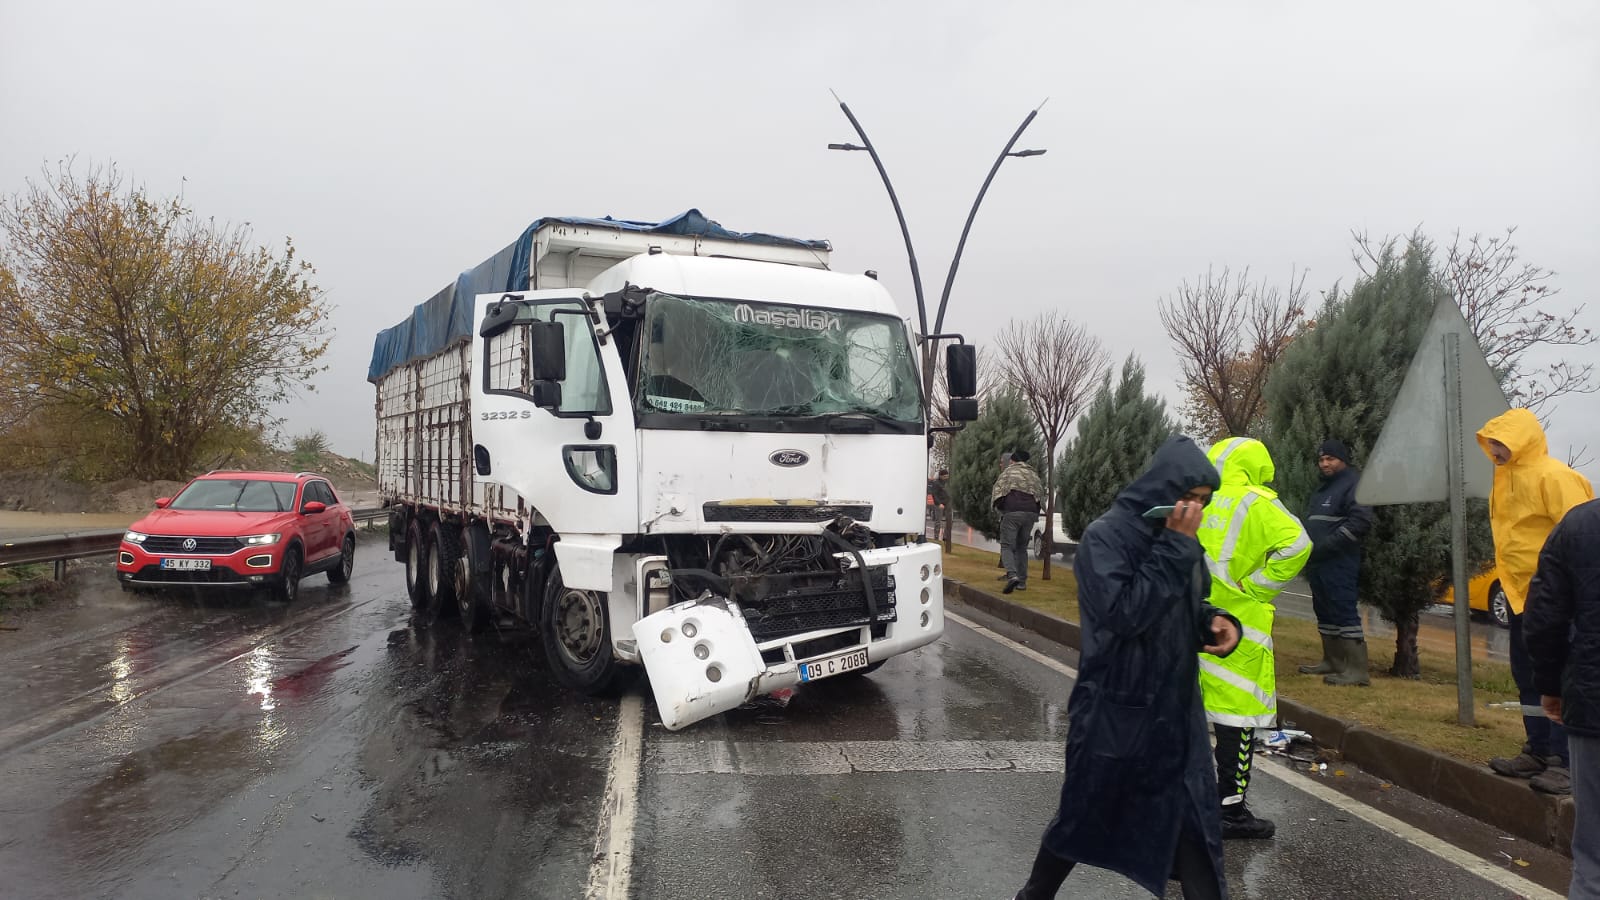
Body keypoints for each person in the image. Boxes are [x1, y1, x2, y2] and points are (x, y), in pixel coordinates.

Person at [1014, 436, 1240, 900]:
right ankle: (1034, 895)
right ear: (1162, 488)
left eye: (1202, 501)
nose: (1194, 509)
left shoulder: (1184, 544)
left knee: (1196, 821)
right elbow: (1125, 613)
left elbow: (1188, 604)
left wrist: (1214, 622)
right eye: (1188, 498)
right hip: (1116, 708)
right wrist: (1176, 549)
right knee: (1083, 816)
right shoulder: (1107, 537)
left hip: (1176, 712)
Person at [1198, 437, 1311, 840]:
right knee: (1237, 720)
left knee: (1186, 715)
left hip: (1190, 620)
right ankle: (1230, 811)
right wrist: (1258, 586)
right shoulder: (1256, 502)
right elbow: (1298, 544)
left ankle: (1180, 802)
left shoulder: (1200, 498)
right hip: (1237, 625)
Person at [1478, 408, 1594, 796]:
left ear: (1522, 440)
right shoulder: (1503, 479)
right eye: (1492, 443)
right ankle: (1539, 749)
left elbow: (1580, 537)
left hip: (1560, 597)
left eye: (1502, 442)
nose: (1495, 450)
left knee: (1564, 678)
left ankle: (1565, 761)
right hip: (1520, 594)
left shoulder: (1556, 476)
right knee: (1529, 675)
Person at [1523, 497, 1600, 899]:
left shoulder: (1580, 524)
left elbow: (1544, 618)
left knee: (1596, 857)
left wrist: (1550, 685)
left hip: (1594, 701)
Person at [1299, 439, 1375, 686]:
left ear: (1342, 460)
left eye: (1330, 459)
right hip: (1319, 562)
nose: (1324, 464)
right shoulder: (1323, 489)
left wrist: (1328, 545)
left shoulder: (1353, 484)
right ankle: (1332, 661)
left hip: (1340, 561)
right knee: (1324, 609)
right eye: (1321, 459)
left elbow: (1360, 522)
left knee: (1343, 609)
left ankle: (1357, 670)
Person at [992, 449, 1045, 595]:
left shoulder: (1009, 472)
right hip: (1030, 514)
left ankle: (1012, 575)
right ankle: (1022, 582)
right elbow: (1040, 494)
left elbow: (998, 490)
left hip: (1013, 512)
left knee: (1007, 546)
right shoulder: (1033, 475)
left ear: (1012, 461)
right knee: (1022, 548)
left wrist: (999, 507)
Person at [927, 468, 951, 540]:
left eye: (947, 476)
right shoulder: (936, 483)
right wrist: (939, 503)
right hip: (939, 504)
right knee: (938, 521)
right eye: (945, 476)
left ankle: (946, 537)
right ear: (940, 476)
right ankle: (936, 537)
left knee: (949, 521)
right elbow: (934, 494)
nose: (946, 478)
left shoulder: (948, 483)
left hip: (947, 503)